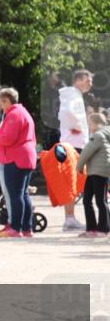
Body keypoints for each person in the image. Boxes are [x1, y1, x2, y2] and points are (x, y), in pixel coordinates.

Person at [0, 88, 37, 238]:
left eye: (1, 103)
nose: (0, 106)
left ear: (7, 100)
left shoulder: (14, 115)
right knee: (23, 194)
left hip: (15, 158)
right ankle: (27, 228)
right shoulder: (23, 112)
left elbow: (8, 138)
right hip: (25, 157)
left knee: (15, 195)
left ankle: (15, 227)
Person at [58, 69, 94, 231]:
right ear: (79, 80)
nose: (90, 84)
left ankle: (70, 217)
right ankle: (70, 218)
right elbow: (67, 113)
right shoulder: (73, 95)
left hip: (74, 143)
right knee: (72, 180)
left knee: (73, 180)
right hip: (74, 144)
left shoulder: (73, 95)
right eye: (88, 80)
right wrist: (77, 126)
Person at [76, 113, 110, 237]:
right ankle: (93, 229)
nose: (89, 126)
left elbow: (86, 152)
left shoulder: (98, 135)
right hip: (99, 171)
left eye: (90, 123)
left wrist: (78, 167)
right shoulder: (106, 134)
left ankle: (103, 229)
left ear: (97, 123)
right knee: (90, 200)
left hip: (97, 171)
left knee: (98, 201)